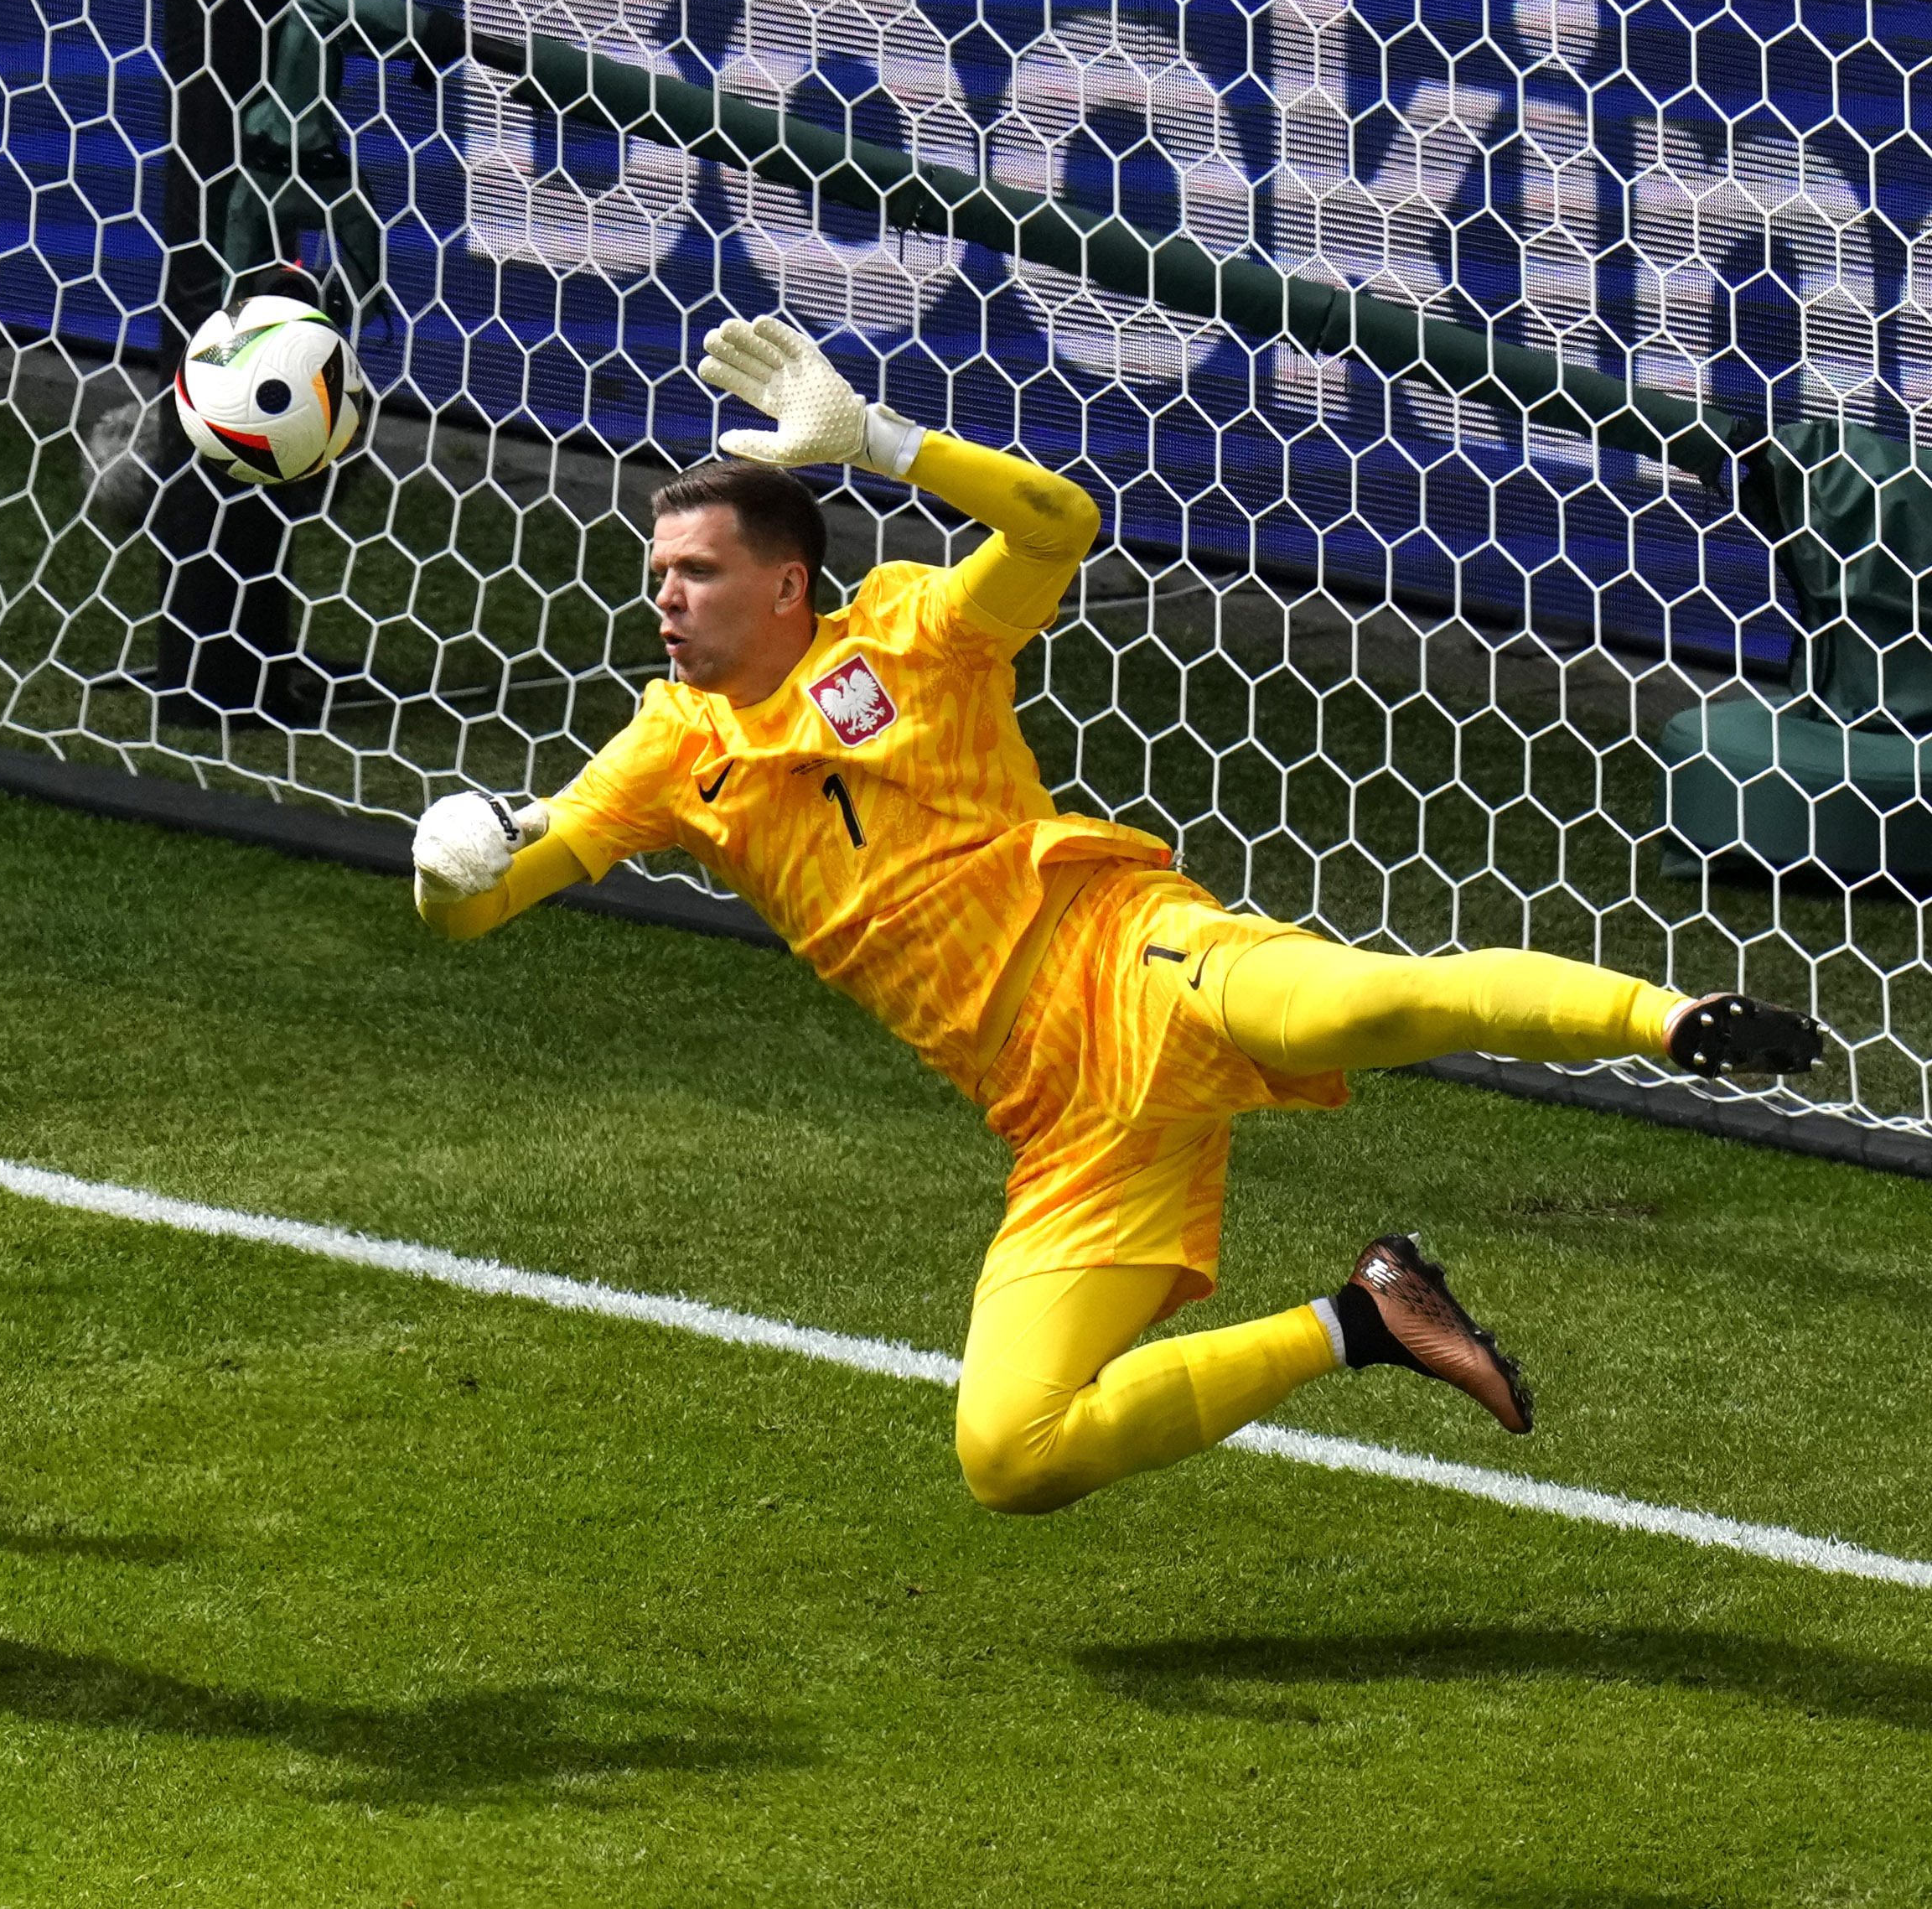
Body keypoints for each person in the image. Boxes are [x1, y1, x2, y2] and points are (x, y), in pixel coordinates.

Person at [409, 314, 1821, 1517]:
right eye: (657, 573)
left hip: (1120, 951)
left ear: (786, 584)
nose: (664, 597)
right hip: (1053, 1113)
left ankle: (1670, 1017)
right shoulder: (665, 754)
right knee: (1010, 1455)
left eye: (695, 571)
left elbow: (1063, 524)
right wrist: (450, 864)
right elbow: (484, 913)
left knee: (1346, 1005)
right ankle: (1366, 1317)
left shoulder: (911, 637)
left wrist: (891, 448)